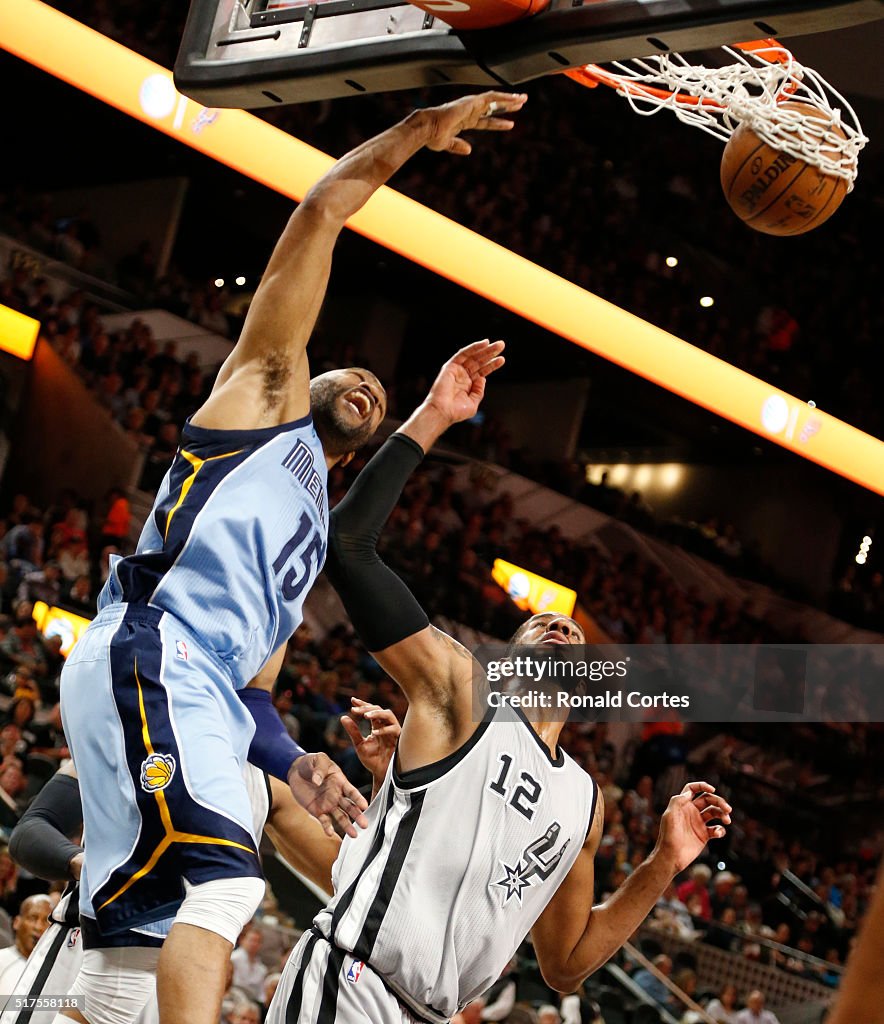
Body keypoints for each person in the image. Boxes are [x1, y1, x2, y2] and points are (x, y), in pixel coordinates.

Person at [59, 90, 527, 1024]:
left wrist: (297, 763)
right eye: (353, 372)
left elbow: (256, 696)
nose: (368, 384)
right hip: (153, 651)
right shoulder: (261, 389)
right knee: (227, 886)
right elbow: (320, 212)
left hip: (177, 685)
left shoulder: (311, 532)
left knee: (124, 957)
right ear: (302, 371)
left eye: (379, 396)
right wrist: (413, 135)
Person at [267, 342, 732, 1023]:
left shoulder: (584, 802)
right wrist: (431, 416)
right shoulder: (461, 691)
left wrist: (663, 861)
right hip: (354, 979)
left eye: (571, 628)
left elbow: (566, 964)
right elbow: (349, 547)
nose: (560, 627)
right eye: (541, 623)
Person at [3, 699, 400, 1024]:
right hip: (88, 952)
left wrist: (386, 786)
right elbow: (30, 833)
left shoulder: (266, 781)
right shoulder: (132, 732)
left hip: (181, 983)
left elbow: (348, 878)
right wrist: (83, 865)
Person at [0, 894, 52, 997]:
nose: (38, 927)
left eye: (46, 921)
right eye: (33, 918)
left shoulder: (56, 969)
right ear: (17, 922)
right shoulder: (1, 959)